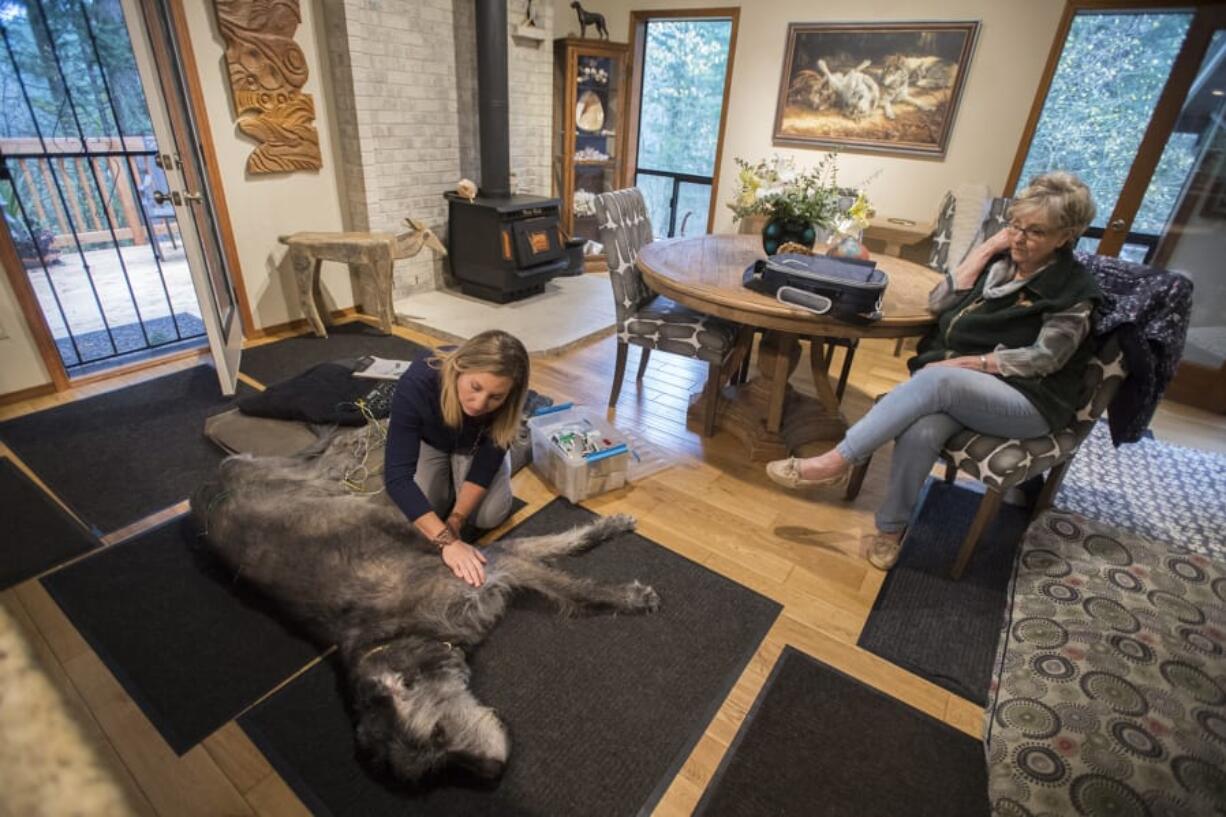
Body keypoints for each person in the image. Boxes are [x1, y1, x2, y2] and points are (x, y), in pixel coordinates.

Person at [765, 171, 1103, 570]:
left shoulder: (1074, 290)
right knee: (921, 428)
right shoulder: (1000, 260)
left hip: (1029, 400)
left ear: (1067, 236)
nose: (1019, 238)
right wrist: (984, 250)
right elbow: (937, 302)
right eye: (1014, 225)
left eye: (1035, 232)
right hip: (965, 387)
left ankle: (837, 461)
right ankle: (890, 529)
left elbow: (1046, 358)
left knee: (937, 379)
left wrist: (971, 363)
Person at [385, 329, 530, 588]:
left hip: (473, 446)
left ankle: (518, 448)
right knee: (424, 506)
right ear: (460, 367)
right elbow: (397, 478)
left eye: (495, 397)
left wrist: (456, 519)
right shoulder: (417, 382)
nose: (479, 403)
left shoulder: (507, 401)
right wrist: (448, 542)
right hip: (432, 441)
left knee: (489, 516)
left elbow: (484, 466)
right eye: (475, 387)